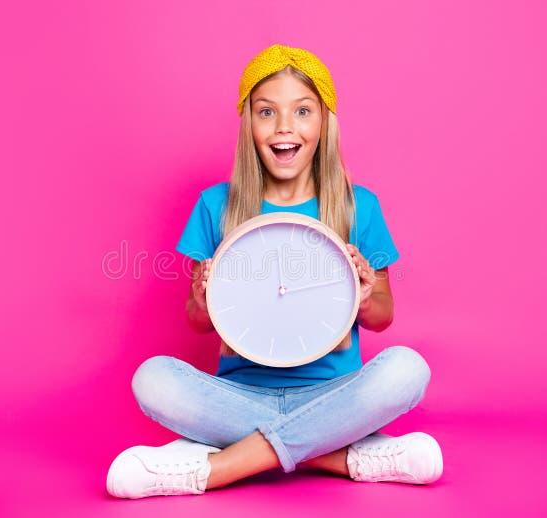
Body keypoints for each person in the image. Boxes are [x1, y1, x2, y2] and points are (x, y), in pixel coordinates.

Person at [106, 44, 443, 499]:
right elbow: (195, 318)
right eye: (267, 112)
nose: (285, 126)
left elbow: (384, 315)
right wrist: (204, 302)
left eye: (303, 111)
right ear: (249, 124)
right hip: (238, 397)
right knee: (152, 378)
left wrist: (365, 296)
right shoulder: (215, 206)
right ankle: (346, 456)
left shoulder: (357, 205)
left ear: (324, 122)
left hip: (334, 394)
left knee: (409, 369)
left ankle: (216, 466)